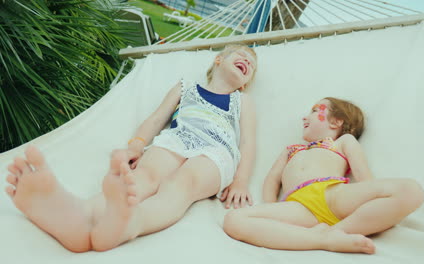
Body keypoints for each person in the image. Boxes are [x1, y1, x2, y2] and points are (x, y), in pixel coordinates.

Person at [5, 44, 258, 252]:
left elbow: (247, 141)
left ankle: (131, 223)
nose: (247, 60)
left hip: (215, 152)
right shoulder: (185, 88)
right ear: (218, 60)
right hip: (177, 139)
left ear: (245, 83)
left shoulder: (241, 101)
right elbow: (157, 118)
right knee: (144, 176)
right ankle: (81, 216)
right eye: (241, 54)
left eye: (251, 65)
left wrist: (241, 181)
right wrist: (136, 147)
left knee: (182, 185)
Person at [223, 97, 424, 254]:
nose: (304, 117)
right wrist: (271, 207)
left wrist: (375, 210)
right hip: (299, 207)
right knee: (234, 220)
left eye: (314, 111)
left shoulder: (342, 142)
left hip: (335, 195)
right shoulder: (291, 149)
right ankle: (324, 239)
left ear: (337, 122)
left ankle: (341, 230)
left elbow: (365, 179)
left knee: (412, 190)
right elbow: (272, 179)